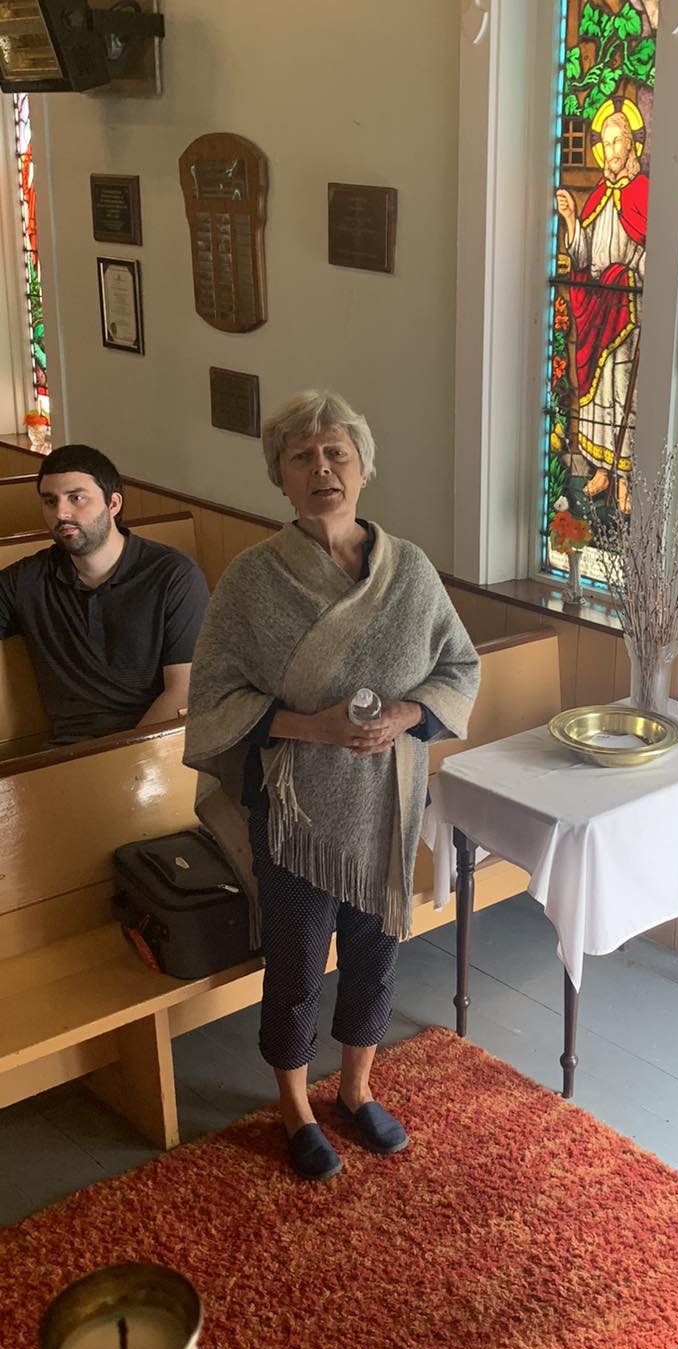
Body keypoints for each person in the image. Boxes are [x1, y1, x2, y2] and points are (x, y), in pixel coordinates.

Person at [184, 390, 479, 1182]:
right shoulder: (251, 581)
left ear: (364, 468)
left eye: (336, 454)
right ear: (280, 477)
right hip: (295, 811)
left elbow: (461, 665)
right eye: (302, 457)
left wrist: (410, 713)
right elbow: (211, 698)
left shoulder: (409, 571)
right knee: (295, 964)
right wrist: (311, 727)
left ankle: (355, 1089)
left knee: (378, 953)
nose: (322, 469)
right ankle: (294, 1106)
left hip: (387, 805)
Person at [0, 444, 209, 745]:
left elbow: (183, 692)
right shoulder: (27, 579)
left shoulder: (173, 575)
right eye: (50, 501)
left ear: (113, 504)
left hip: (155, 750)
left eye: (76, 497)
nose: (61, 512)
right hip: (66, 754)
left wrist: (121, 761)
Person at [555, 99, 648, 511]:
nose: (611, 152)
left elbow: (650, 253)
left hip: (625, 309)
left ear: (631, 147)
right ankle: (601, 471)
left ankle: (625, 478)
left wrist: (631, 279)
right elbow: (582, 256)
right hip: (597, 306)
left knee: (623, 389)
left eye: (618, 144)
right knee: (595, 395)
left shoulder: (643, 194)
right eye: (606, 144)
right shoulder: (598, 197)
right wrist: (572, 220)